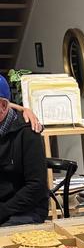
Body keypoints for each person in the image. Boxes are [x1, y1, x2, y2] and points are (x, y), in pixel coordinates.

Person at [0, 75, 48, 226]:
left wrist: (3, 211)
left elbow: (36, 186)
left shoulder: (28, 132)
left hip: (24, 210)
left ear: (2, 106)